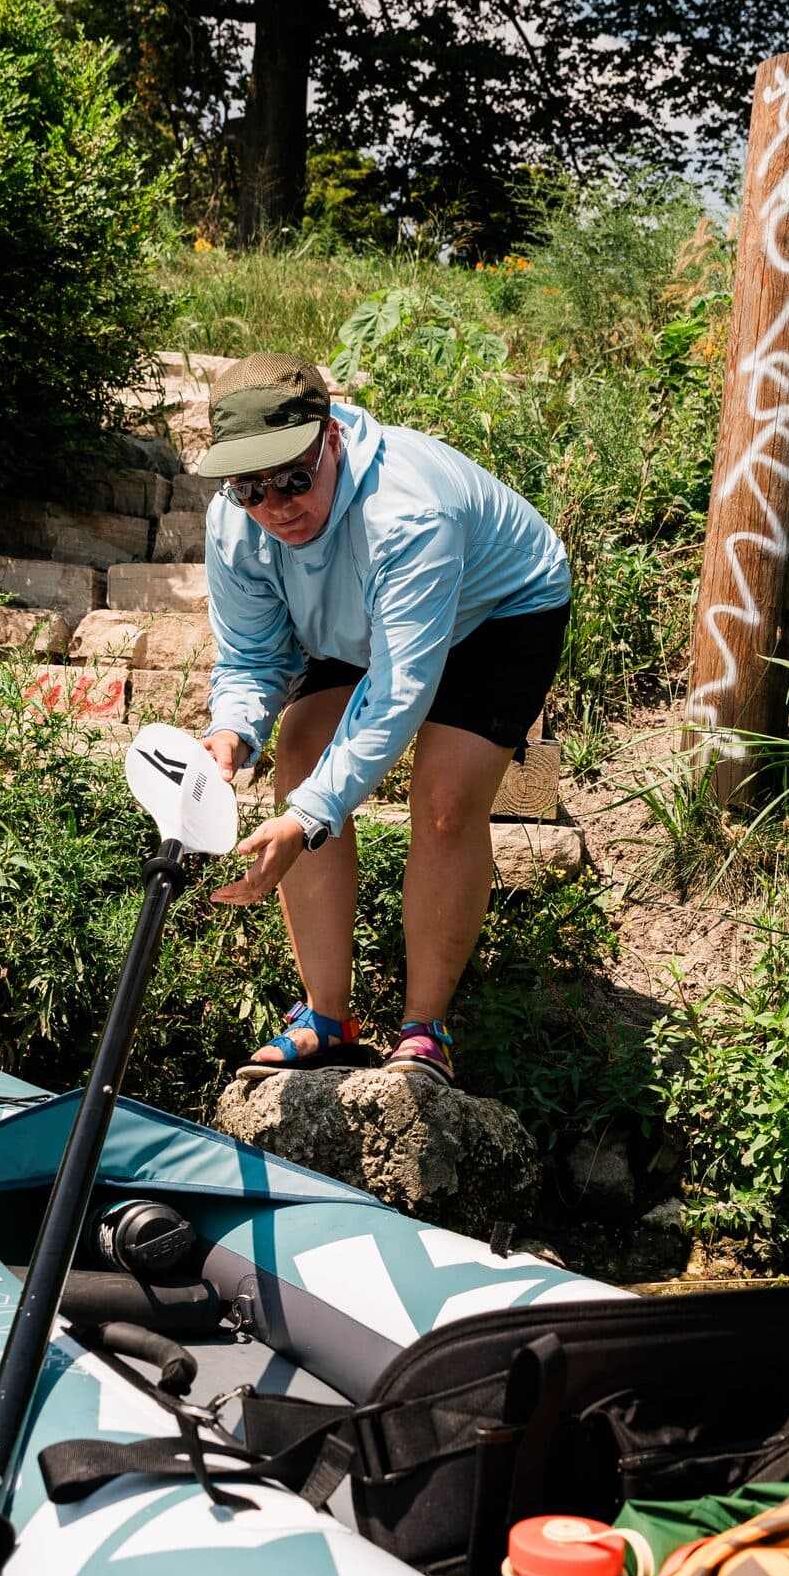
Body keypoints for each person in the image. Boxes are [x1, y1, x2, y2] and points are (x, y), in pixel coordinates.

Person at [198, 353, 571, 1082]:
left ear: (331, 438)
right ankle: (327, 1018)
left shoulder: (407, 513)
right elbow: (250, 656)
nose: (275, 506)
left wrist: (308, 818)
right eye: (250, 489)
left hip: (500, 608)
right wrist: (232, 732)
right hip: (359, 614)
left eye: (294, 478)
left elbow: (399, 690)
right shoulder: (234, 528)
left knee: (444, 801)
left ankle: (424, 1029)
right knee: (302, 750)